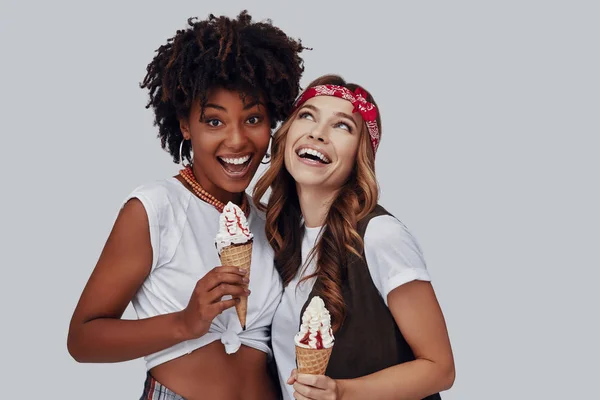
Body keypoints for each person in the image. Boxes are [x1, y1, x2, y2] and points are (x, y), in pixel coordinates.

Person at [67, 11, 305, 399]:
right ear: (184, 124)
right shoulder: (154, 208)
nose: (237, 141)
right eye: (214, 122)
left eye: (254, 118)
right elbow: (82, 339)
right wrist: (185, 322)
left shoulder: (270, 221)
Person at [253, 74, 455, 400]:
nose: (318, 133)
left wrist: (341, 392)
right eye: (307, 116)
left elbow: (440, 368)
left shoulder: (379, 236)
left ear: (359, 156)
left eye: (342, 126)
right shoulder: (279, 237)